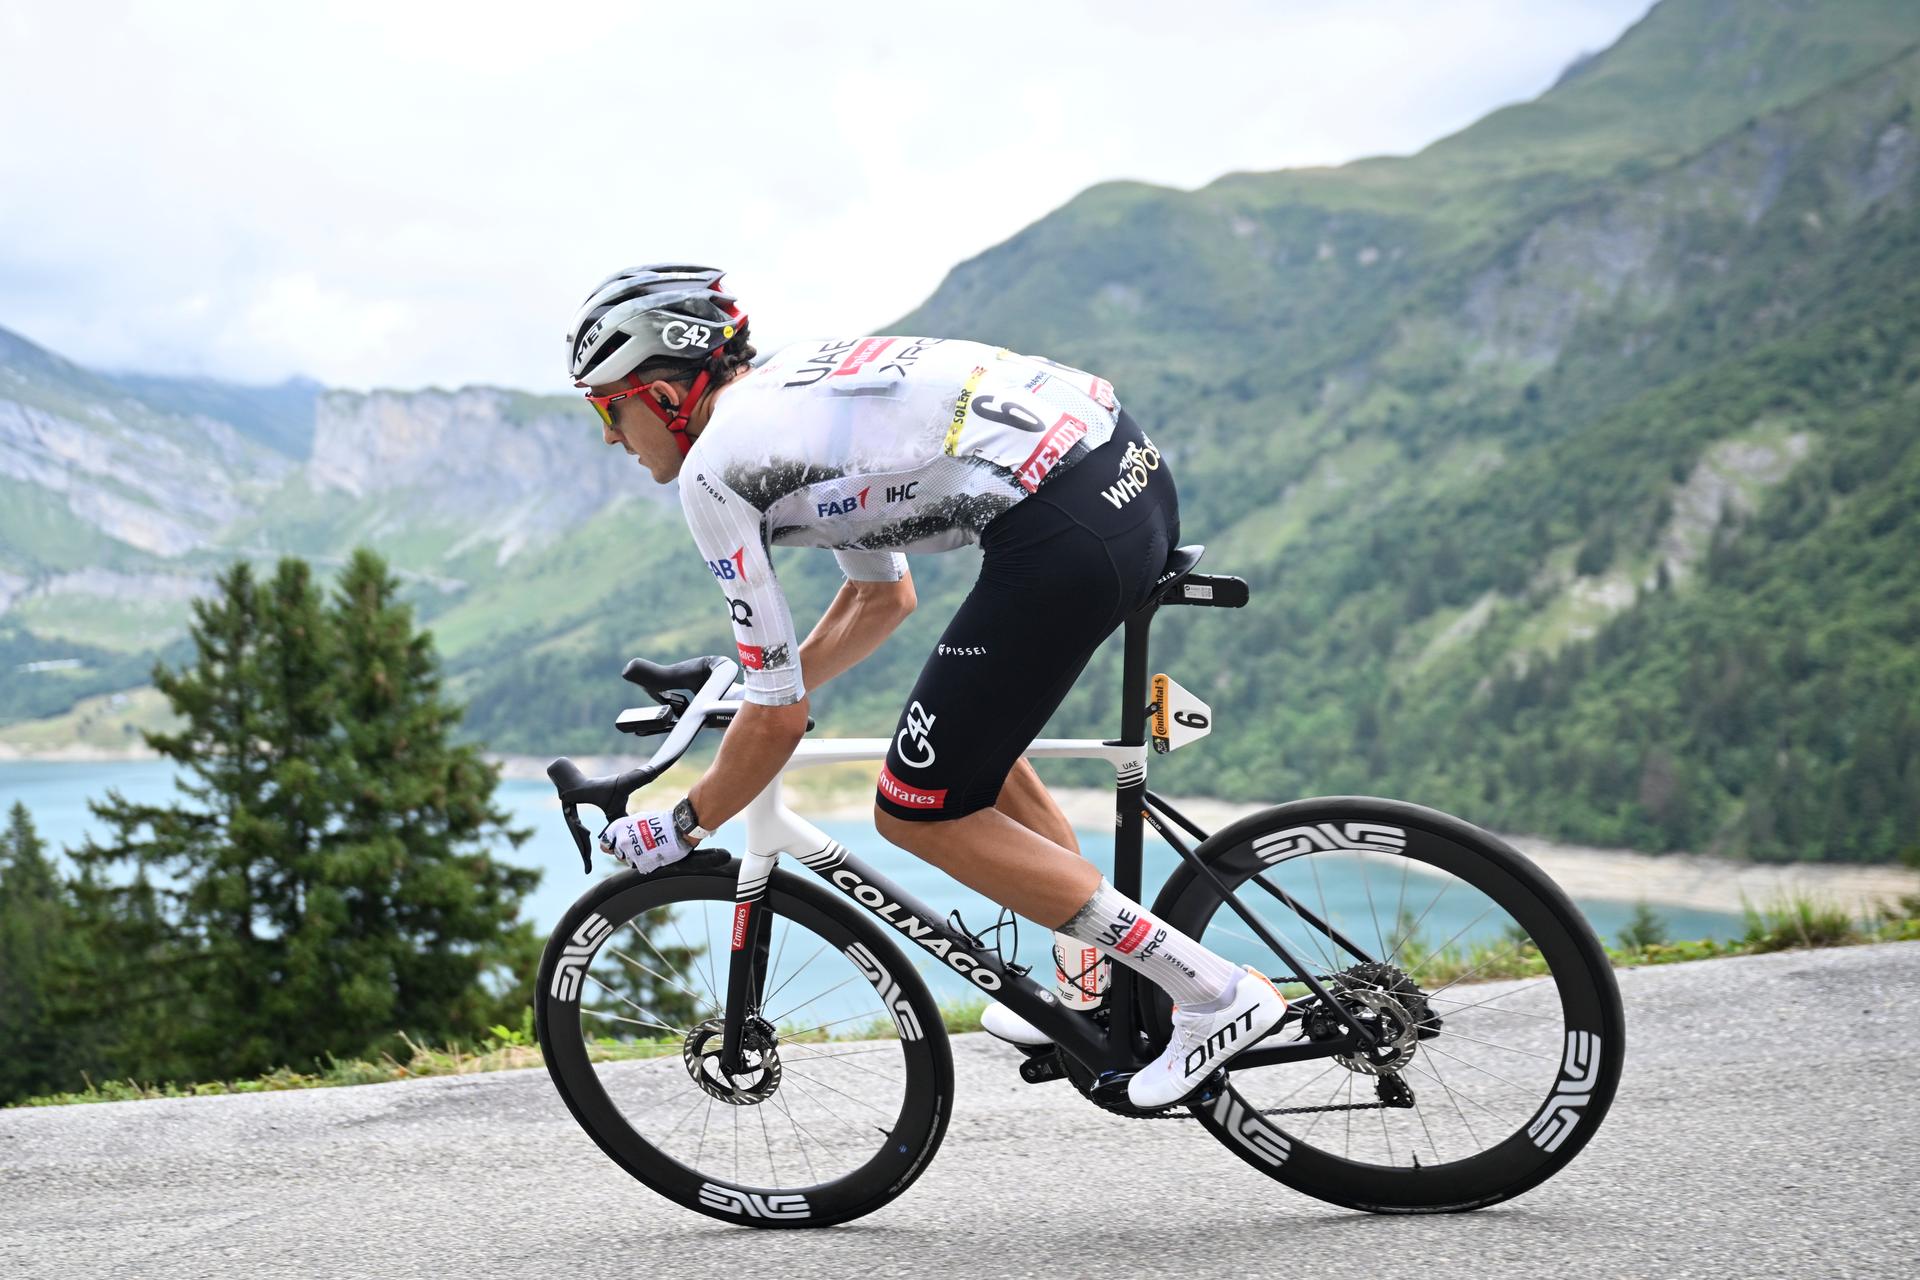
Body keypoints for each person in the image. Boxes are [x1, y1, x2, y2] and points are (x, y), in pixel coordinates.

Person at [565, 263, 1283, 1108]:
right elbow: (879, 598)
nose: (610, 438)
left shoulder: (714, 472)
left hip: (1063, 526)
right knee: (953, 736)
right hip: (1124, 468)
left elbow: (782, 714)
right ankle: (1088, 983)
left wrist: (681, 824)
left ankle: (1213, 992)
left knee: (915, 809)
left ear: (659, 395)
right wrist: (750, 698)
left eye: (606, 410)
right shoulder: (789, 401)